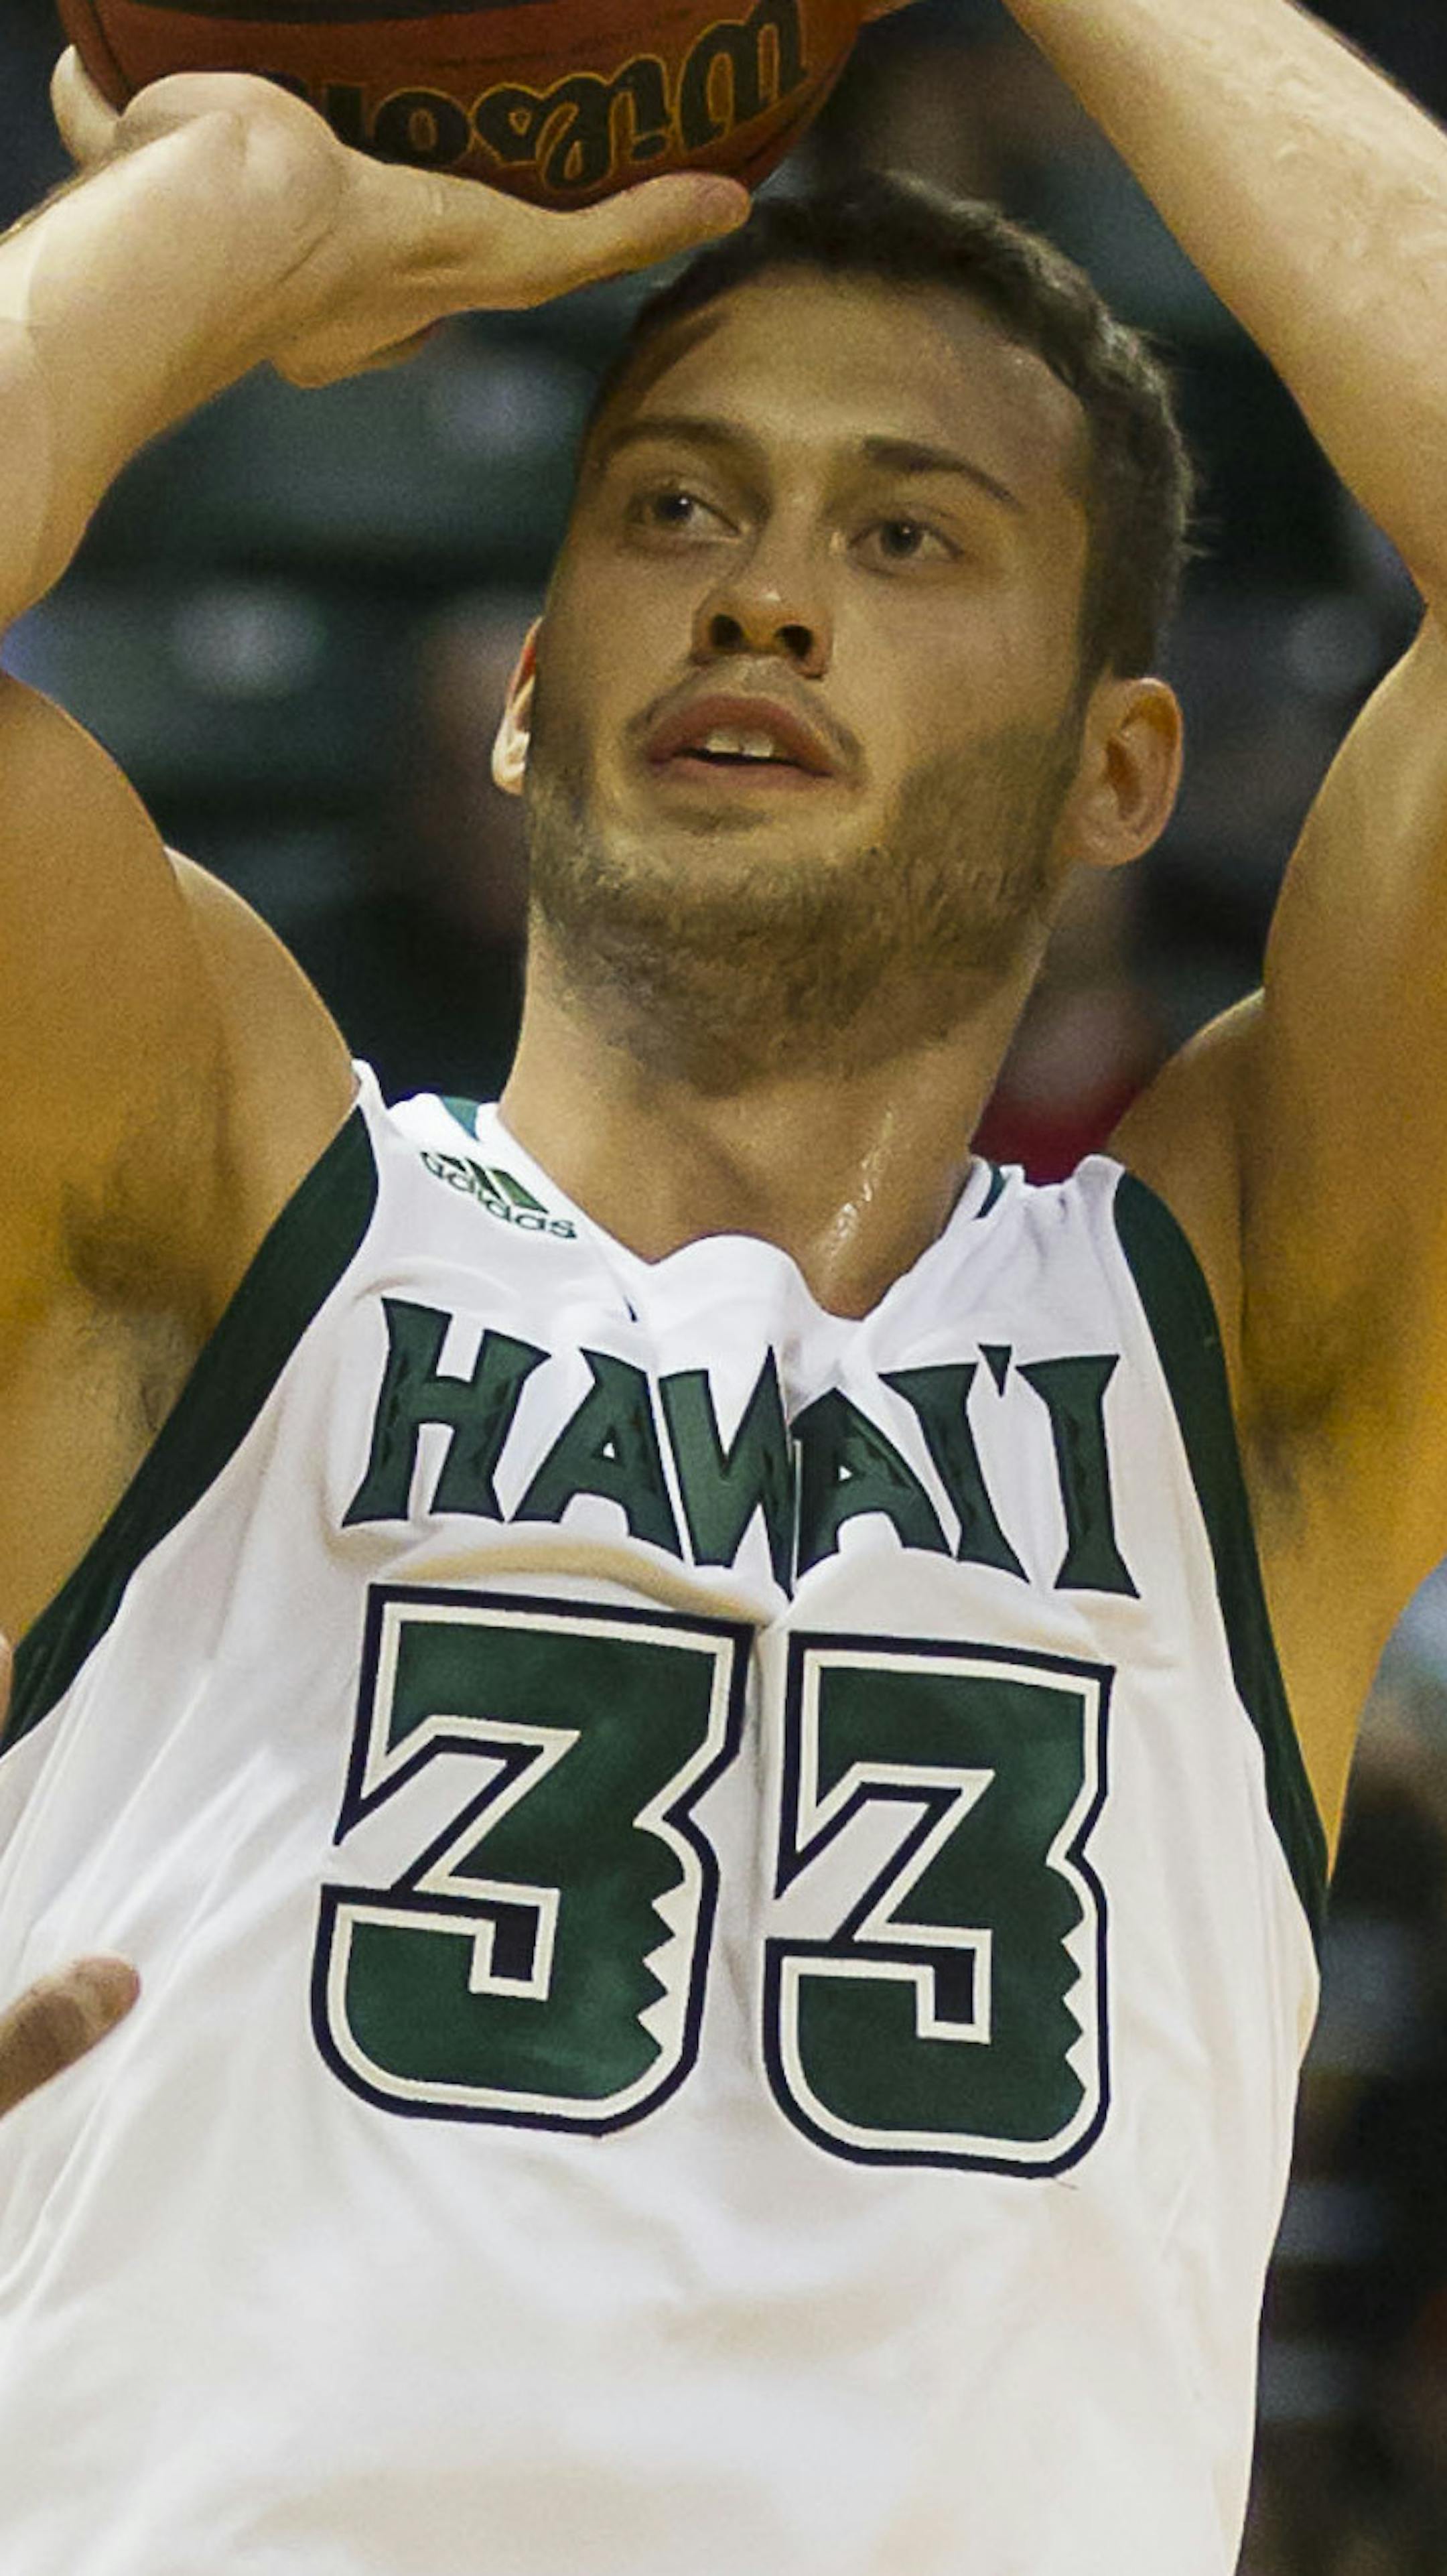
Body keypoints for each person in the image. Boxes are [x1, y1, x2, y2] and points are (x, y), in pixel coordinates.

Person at [0, 0, 1440, 2563]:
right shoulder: (209, 1215)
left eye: (906, 536)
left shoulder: (1244, 1351)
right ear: (531, 700)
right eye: (675, 511)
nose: (765, 595)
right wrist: (238, 212)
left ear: (1127, 768)